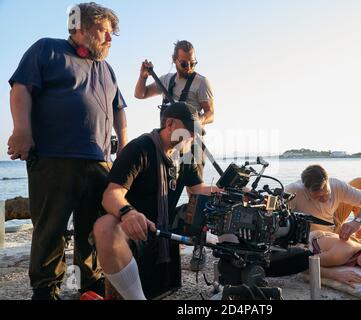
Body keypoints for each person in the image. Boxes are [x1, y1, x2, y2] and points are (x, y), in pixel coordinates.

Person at [7, 2, 127, 300]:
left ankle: (90, 287)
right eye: (104, 32)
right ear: (81, 28)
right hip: (52, 158)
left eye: (112, 34)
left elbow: (119, 110)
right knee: (50, 229)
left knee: (94, 228)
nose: (109, 40)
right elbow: (20, 88)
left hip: (99, 163)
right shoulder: (47, 49)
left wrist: (123, 146)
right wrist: (22, 130)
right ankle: (46, 291)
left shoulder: (107, 69)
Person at [93, 102, 221, 300]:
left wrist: (231, 190)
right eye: (190, 131)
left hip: (166, 223)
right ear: (169, 124)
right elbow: (111, 195)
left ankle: (231, 281)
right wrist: (129, 213)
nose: (194, 137)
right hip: (135, 226)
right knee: (104, 226)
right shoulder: (139, 149)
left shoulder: (186, 156)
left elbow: (198, 189)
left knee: (225, 206)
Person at [135, 40, 214, 271]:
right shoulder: (166, 80)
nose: (188, 66)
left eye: (192, 63)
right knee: (163, 190)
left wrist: (193, 121)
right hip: (166, 142)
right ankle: (161, 239)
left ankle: (198, 248)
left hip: (190, 142)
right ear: (174, 60)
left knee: (195, 195)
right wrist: (143, 76)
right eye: (184, 62)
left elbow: (211, 113)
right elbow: (140, 94)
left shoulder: (201, 82)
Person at [286, 165, 361, 241]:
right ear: (305, 189)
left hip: (334, 218)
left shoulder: (336, 185)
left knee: (360, 182)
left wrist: (357, 221)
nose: (324, 199)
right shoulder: (294, 190)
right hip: (322, 235)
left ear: (328, 181)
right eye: (317, 197)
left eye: (326, 193)